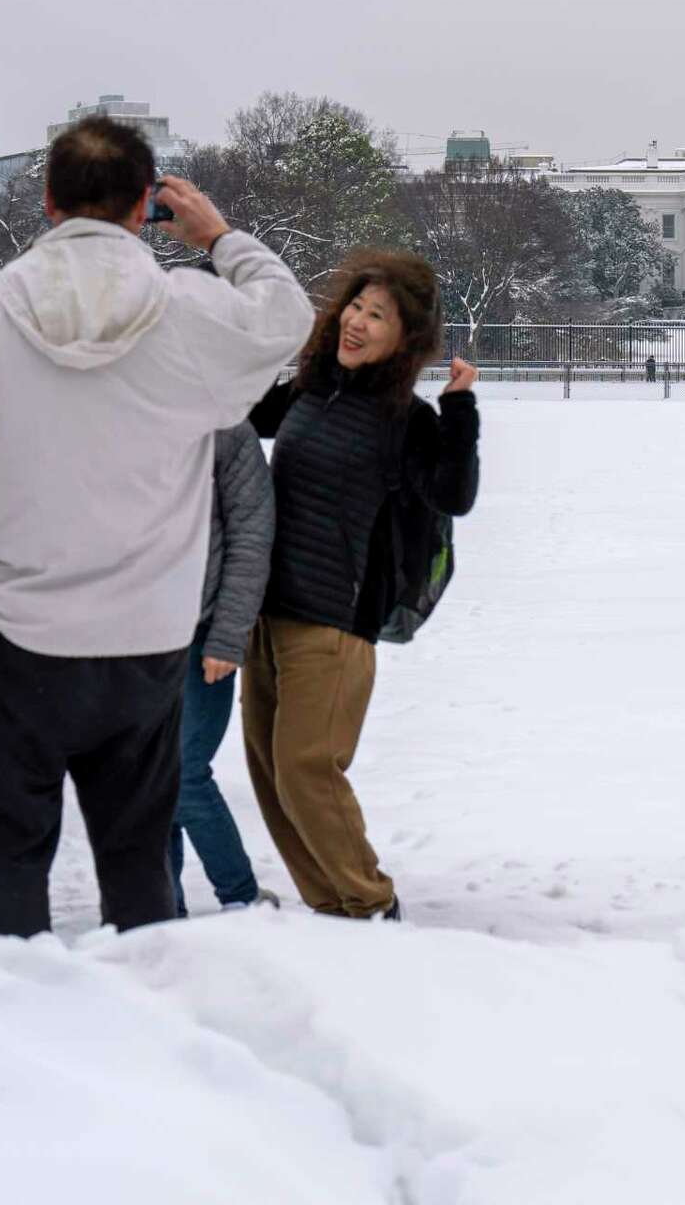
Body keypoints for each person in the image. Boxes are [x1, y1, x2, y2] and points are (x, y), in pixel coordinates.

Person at [0, 117, 313, 938]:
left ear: (48, 201)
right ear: (142, 206)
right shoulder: (187, 310)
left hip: (16, 633)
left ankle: (14, 1026)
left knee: (9, 858)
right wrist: (221, 236)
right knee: (137, 855)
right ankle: (147, 1032)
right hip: (147, 633)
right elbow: (285, 317)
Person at [244, 250, 479, 921]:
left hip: (335, 624)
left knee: (306, 769)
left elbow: (453, 493)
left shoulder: (406, 420)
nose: (358, 322)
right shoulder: (311, 389)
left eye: (378, 316)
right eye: (356, 306)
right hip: (269, 613)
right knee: (270, 777)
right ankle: (332, 910)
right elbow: (236, 410)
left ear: (405, 339)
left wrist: (459, 409)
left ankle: (370, 902)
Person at [169, 420, 280, 916]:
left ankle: (239, 896)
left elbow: (252, 533)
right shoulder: (116, 406)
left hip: (203, 633)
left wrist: (228, 636)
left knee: (183, 773)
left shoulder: (224, 422)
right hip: (129, 638)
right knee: (146, 775)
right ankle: (157, 904)